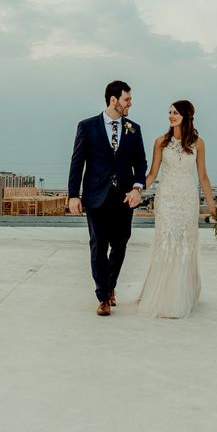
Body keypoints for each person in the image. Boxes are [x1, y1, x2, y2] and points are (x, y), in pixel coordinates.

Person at [68, 80, 147, 316]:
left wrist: (137, 188)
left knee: (120, 244)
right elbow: (77, 162)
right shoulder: (87, 126)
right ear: (114, 100)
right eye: (127, 99)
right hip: (96, 197)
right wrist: (73, 195)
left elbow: (140, 162)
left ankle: (110, 285)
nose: (130, 103)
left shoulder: (134, 128)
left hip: (124, 198)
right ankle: (103, 296)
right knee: (98, 245)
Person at [138, 100, 216, 318]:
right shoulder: (160, 142)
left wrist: (212, 207)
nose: (171, 116)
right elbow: (152, 174)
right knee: (167, 241)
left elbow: (202, 176)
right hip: (167, 198)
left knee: (184, 243)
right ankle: (163, 295)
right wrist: (137, 190)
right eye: (169, 112)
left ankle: (183, 293)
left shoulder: (198, 143)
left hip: (187, 199)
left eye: (176, 113)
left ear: (186, 116)